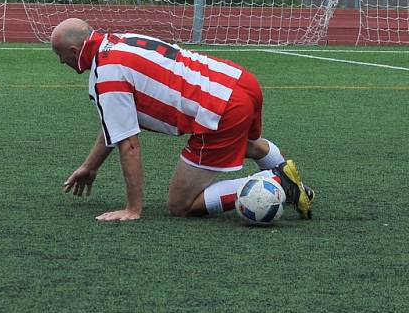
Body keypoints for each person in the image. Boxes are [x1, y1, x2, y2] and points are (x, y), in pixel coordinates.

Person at [50, 17, 315, 222]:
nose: (60, 62)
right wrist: (91, 167)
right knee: (250, 144)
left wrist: (133, 208)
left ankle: (276, 182)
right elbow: (117, 123)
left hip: (222, 109)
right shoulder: (119, 39)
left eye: (59, 55)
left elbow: (128, 144)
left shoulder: (106, 75)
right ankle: (293, 182)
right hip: (239, 80)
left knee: (181, 205)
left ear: (74, 51)